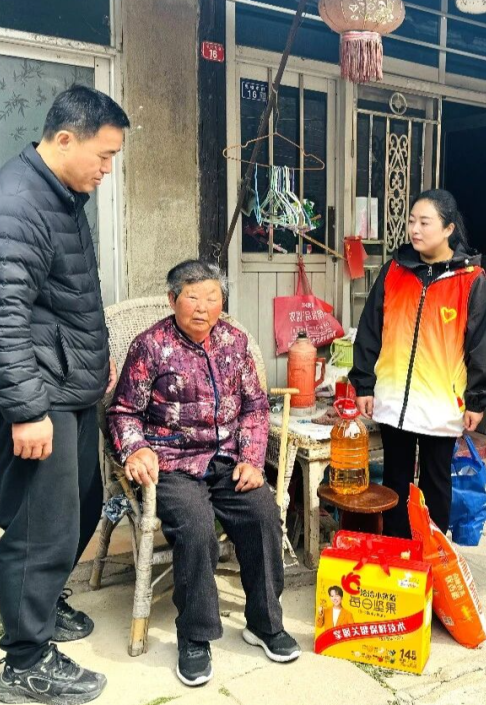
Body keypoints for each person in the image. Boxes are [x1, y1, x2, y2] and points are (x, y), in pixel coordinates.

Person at [0, 84, 128, 705]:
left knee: (79, 510)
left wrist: (97, 361)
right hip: (38, 398)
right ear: (64, 139)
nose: (107, 170)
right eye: (103, 155)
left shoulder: (59, 196)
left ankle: (43, 602)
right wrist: (27, 411)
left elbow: (63, 300)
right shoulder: (12, 205)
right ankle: (25, 663)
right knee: (38, 530)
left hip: (68, 389)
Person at [107, 260, 300, 687]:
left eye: (212, 297)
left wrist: (252, 458)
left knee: (263, 513)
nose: (203, 307)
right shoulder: (149, 346)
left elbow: (255, 407)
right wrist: (136, 448)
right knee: (195, 527)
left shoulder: (235, 342)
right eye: (192, 297)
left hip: (228, 460)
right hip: (172, 463)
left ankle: (265, 623)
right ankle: (195, 637)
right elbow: (122, 411)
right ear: (172, 299)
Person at [350, 189, 486, 538]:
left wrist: (478, 400)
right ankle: (397, 551)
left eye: (424, 222)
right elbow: (370, 330)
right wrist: (364, 384)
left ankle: (431, 552)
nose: (414, 229)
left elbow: (482, 345)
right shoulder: (394, 271)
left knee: (435, 483)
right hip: (393, 400)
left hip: (441, 404)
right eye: (411, 221)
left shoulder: (470, 279)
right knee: (395, 482)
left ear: (448, 229)